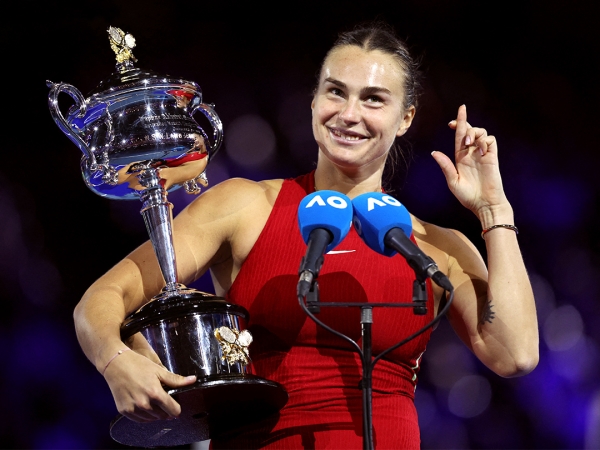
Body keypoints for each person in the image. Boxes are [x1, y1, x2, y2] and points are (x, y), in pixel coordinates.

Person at [73, 20, 539, 449]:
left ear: (405, 118)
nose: (349, 114)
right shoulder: (244, 206)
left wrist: (493, 209)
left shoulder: (438, 247)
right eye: (336, 92)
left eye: (374, 99)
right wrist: (115, 360)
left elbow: (514, 354)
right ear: (314, 101)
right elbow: (102, 298)